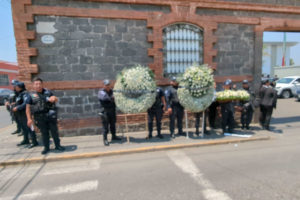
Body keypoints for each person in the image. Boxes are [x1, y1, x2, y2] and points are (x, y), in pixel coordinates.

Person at [26, 78, 65, 155]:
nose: (38, 85)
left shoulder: (48, 92)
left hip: (50, 116)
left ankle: (58, 145)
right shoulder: (30, 95)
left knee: (54, 132)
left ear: (42, 84)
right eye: (36, 84)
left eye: (39, 84)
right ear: (33, 85)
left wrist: (54, 98)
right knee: (44, 133)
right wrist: (29, 119)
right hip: (39, 117)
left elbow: (55, 99)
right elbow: (27, 108)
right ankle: (46, 148)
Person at [13, 82, 38, 148]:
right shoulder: (19, 94)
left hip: (26, 114)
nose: (15, 88)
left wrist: (18, 107)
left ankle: (34, 141)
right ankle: (26, 140)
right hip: (20, 114)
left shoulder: (25, 94)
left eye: (16, 86)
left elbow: (25, 104)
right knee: (24, 128)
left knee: (30, 127)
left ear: (20, 87)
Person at [98, 79, 121, 146]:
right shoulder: (101, 92)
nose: (108, 86)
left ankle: (114, 136)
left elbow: (116, 97)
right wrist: (112, 97)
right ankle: (105, 139)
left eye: (108, 85)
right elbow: (105, 98)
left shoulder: (111, 91)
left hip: (112, 111)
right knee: (105, 127)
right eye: (106, 85)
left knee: (113, 125)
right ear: (104, 85)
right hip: (105, 112)